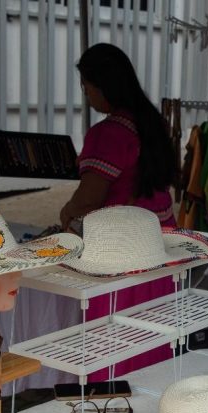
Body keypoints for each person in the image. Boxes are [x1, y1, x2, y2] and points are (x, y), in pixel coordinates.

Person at [61, 43, 178, 382]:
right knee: (152, 338)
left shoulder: (109, 133)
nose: (86, 95)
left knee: (115, 344)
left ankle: (113, 411)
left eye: (86, 86)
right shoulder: (150, 121)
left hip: (121, 255)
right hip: (159, 246)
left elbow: (87, 199)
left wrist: (65, 213)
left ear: (101, 85)